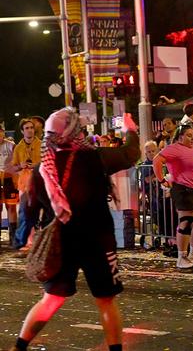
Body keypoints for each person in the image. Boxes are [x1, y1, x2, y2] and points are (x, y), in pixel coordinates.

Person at [11, 108, 140, 351]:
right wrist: (130, 128)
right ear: (73, 132)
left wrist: (23, 237)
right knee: (105, 300)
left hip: (62, 243)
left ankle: (19, 346)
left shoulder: (41, 170)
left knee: (52, 299)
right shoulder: (95, 158)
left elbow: (28, 208)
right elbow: (130, 153)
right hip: (98, 240)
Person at [153, 124, 193, 269]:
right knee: (186, 221)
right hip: (183, 189)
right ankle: (181, 256)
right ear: (180, 136)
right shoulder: (174, 148)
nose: (192, 138)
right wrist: (162, 180)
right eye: (189, 135)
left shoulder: (192, 149)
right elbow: (157, 161)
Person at [11, 118, 41, 249]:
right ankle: (28, 242)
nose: (30, 130)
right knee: (25, 212)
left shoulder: (42, 144)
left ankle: (41, 241)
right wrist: (20, 165)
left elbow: (48, 162)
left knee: (41, 212)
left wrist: (37, 165)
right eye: (27, 128)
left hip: (39, 180)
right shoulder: (18, 147)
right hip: (24, 181)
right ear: (22, 131)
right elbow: (14, 167)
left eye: (31, 127)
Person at [0, 123, 17, 247]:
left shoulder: (11, 145)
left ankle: (13, 236)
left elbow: (17, 162)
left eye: (1, 131)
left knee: (11, 207)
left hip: (9, 180)